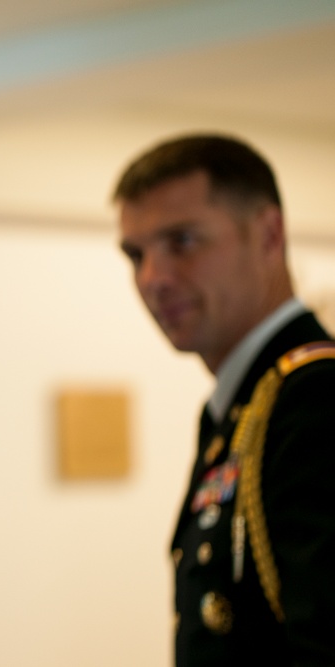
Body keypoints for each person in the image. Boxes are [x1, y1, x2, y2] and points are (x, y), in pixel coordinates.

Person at [114, 133, 335, 666]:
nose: (152, 279)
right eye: (135, 254)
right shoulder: (247, 405)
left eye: (182, 242)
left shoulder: (316, 399)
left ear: (268, 234)